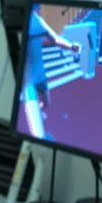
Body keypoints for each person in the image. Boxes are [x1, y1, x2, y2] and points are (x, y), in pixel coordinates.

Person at [22, 9, 81, 139]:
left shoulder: (37, 20)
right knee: (38, 134)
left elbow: (56, 39)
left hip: (41, 75)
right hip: (28, 82)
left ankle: (38, 110)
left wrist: (71, 46)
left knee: (46, 103)